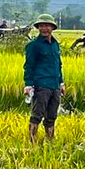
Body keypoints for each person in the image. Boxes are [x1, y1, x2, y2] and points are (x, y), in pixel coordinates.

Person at [22, 13, 65, 144]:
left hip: (54, 85)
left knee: (52, 116)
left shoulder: (55, 44)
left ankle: (50, 140)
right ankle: (32, 141)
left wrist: (61, 83)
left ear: (52, 28)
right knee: (37, 115)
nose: (44, 28)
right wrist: (28, 85)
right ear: (38, 28)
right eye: (42, 26)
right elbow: (29, 66)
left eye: (47, 26)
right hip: (41, 85)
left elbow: (59, 64)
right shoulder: (33, 45)